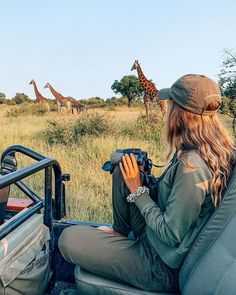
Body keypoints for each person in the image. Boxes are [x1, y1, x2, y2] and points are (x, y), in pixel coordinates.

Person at [58, 74, 235, 292]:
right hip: (155, 241)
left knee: (68, 238)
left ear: (180, 114)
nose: (167, 109)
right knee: (124, 166)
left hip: (158, 265)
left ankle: (125, 241)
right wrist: (143, 178)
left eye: (170, 104)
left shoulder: (193, 167)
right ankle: (120, 232)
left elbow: (171, 234)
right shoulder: (207, 150)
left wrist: (139, 191)